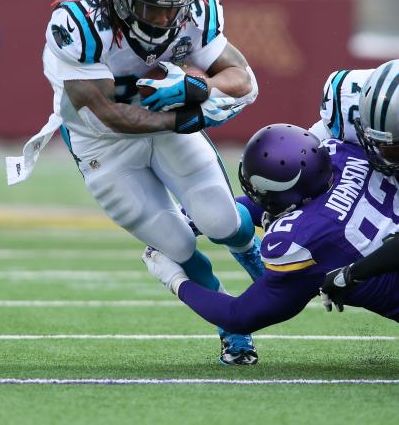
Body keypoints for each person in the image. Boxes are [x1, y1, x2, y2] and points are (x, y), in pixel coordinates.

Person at [6, 0, 263, 365]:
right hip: (102, 145)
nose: (163, 19)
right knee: (179, 247)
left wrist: (198, 87)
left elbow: (241, 78)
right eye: (151, 6)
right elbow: (112, 114)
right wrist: (184, 115)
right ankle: (232, 325)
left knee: (223, 222)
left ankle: (256, 258)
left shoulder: (196, 6)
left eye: (171, 7)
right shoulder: (82, 24)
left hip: (164, 129)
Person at [143, 123, 399, 336]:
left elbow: (239, 316)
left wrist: (175, 280)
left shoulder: (304, 240)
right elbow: (294, 202)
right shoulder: (346, 155)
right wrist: (201, 215)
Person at [318, 60, 399, 311]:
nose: (381, 156)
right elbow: (303, 155)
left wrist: (352, 274)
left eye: (392, 150)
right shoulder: (348, 101)